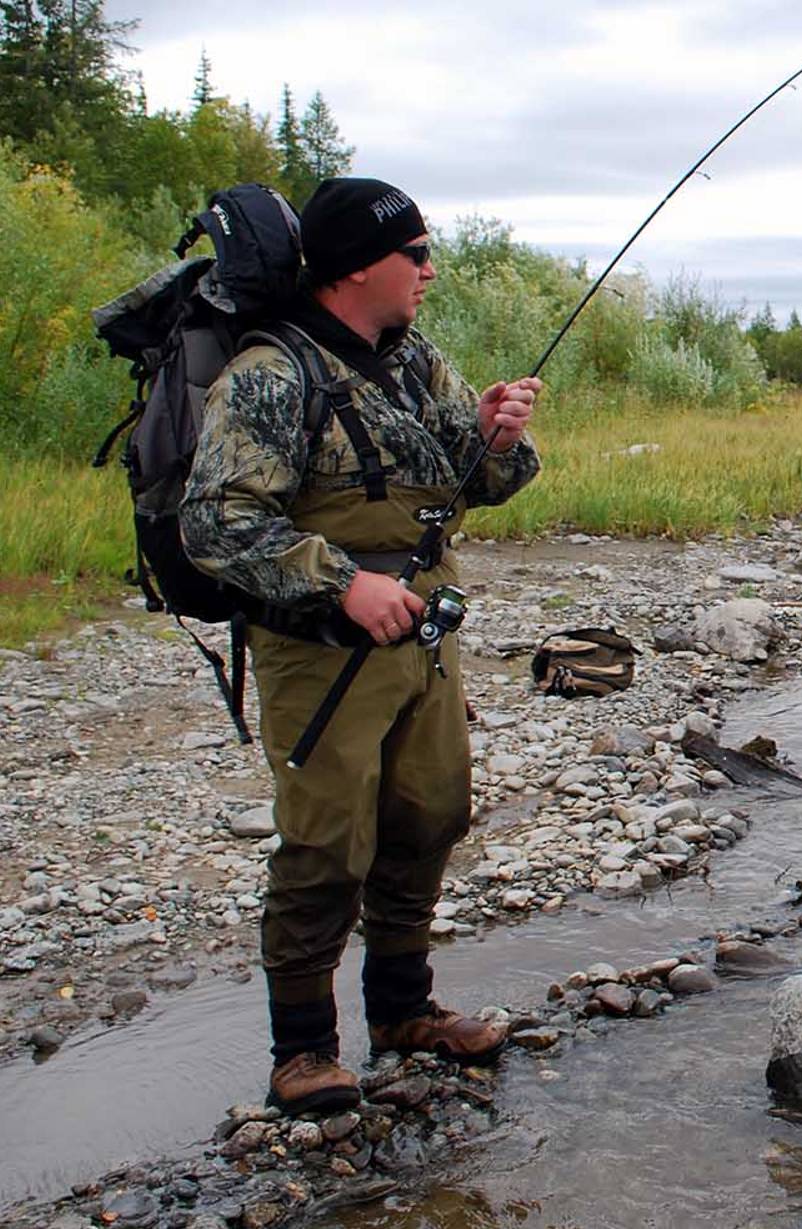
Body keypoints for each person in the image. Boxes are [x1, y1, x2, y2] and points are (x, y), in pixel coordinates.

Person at [180, 177, 543, 1114]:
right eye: (414, 253)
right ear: (357, 267)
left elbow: (487, 481)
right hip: (320, 649)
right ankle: (302, 1052)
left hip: (422, 633)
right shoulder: (269, 375)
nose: (429, 269)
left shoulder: (416, 360)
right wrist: (345, 582)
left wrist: (500, 433)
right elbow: (217, 521)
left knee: (430, 814)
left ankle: (402, 1012)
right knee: (325, 844)